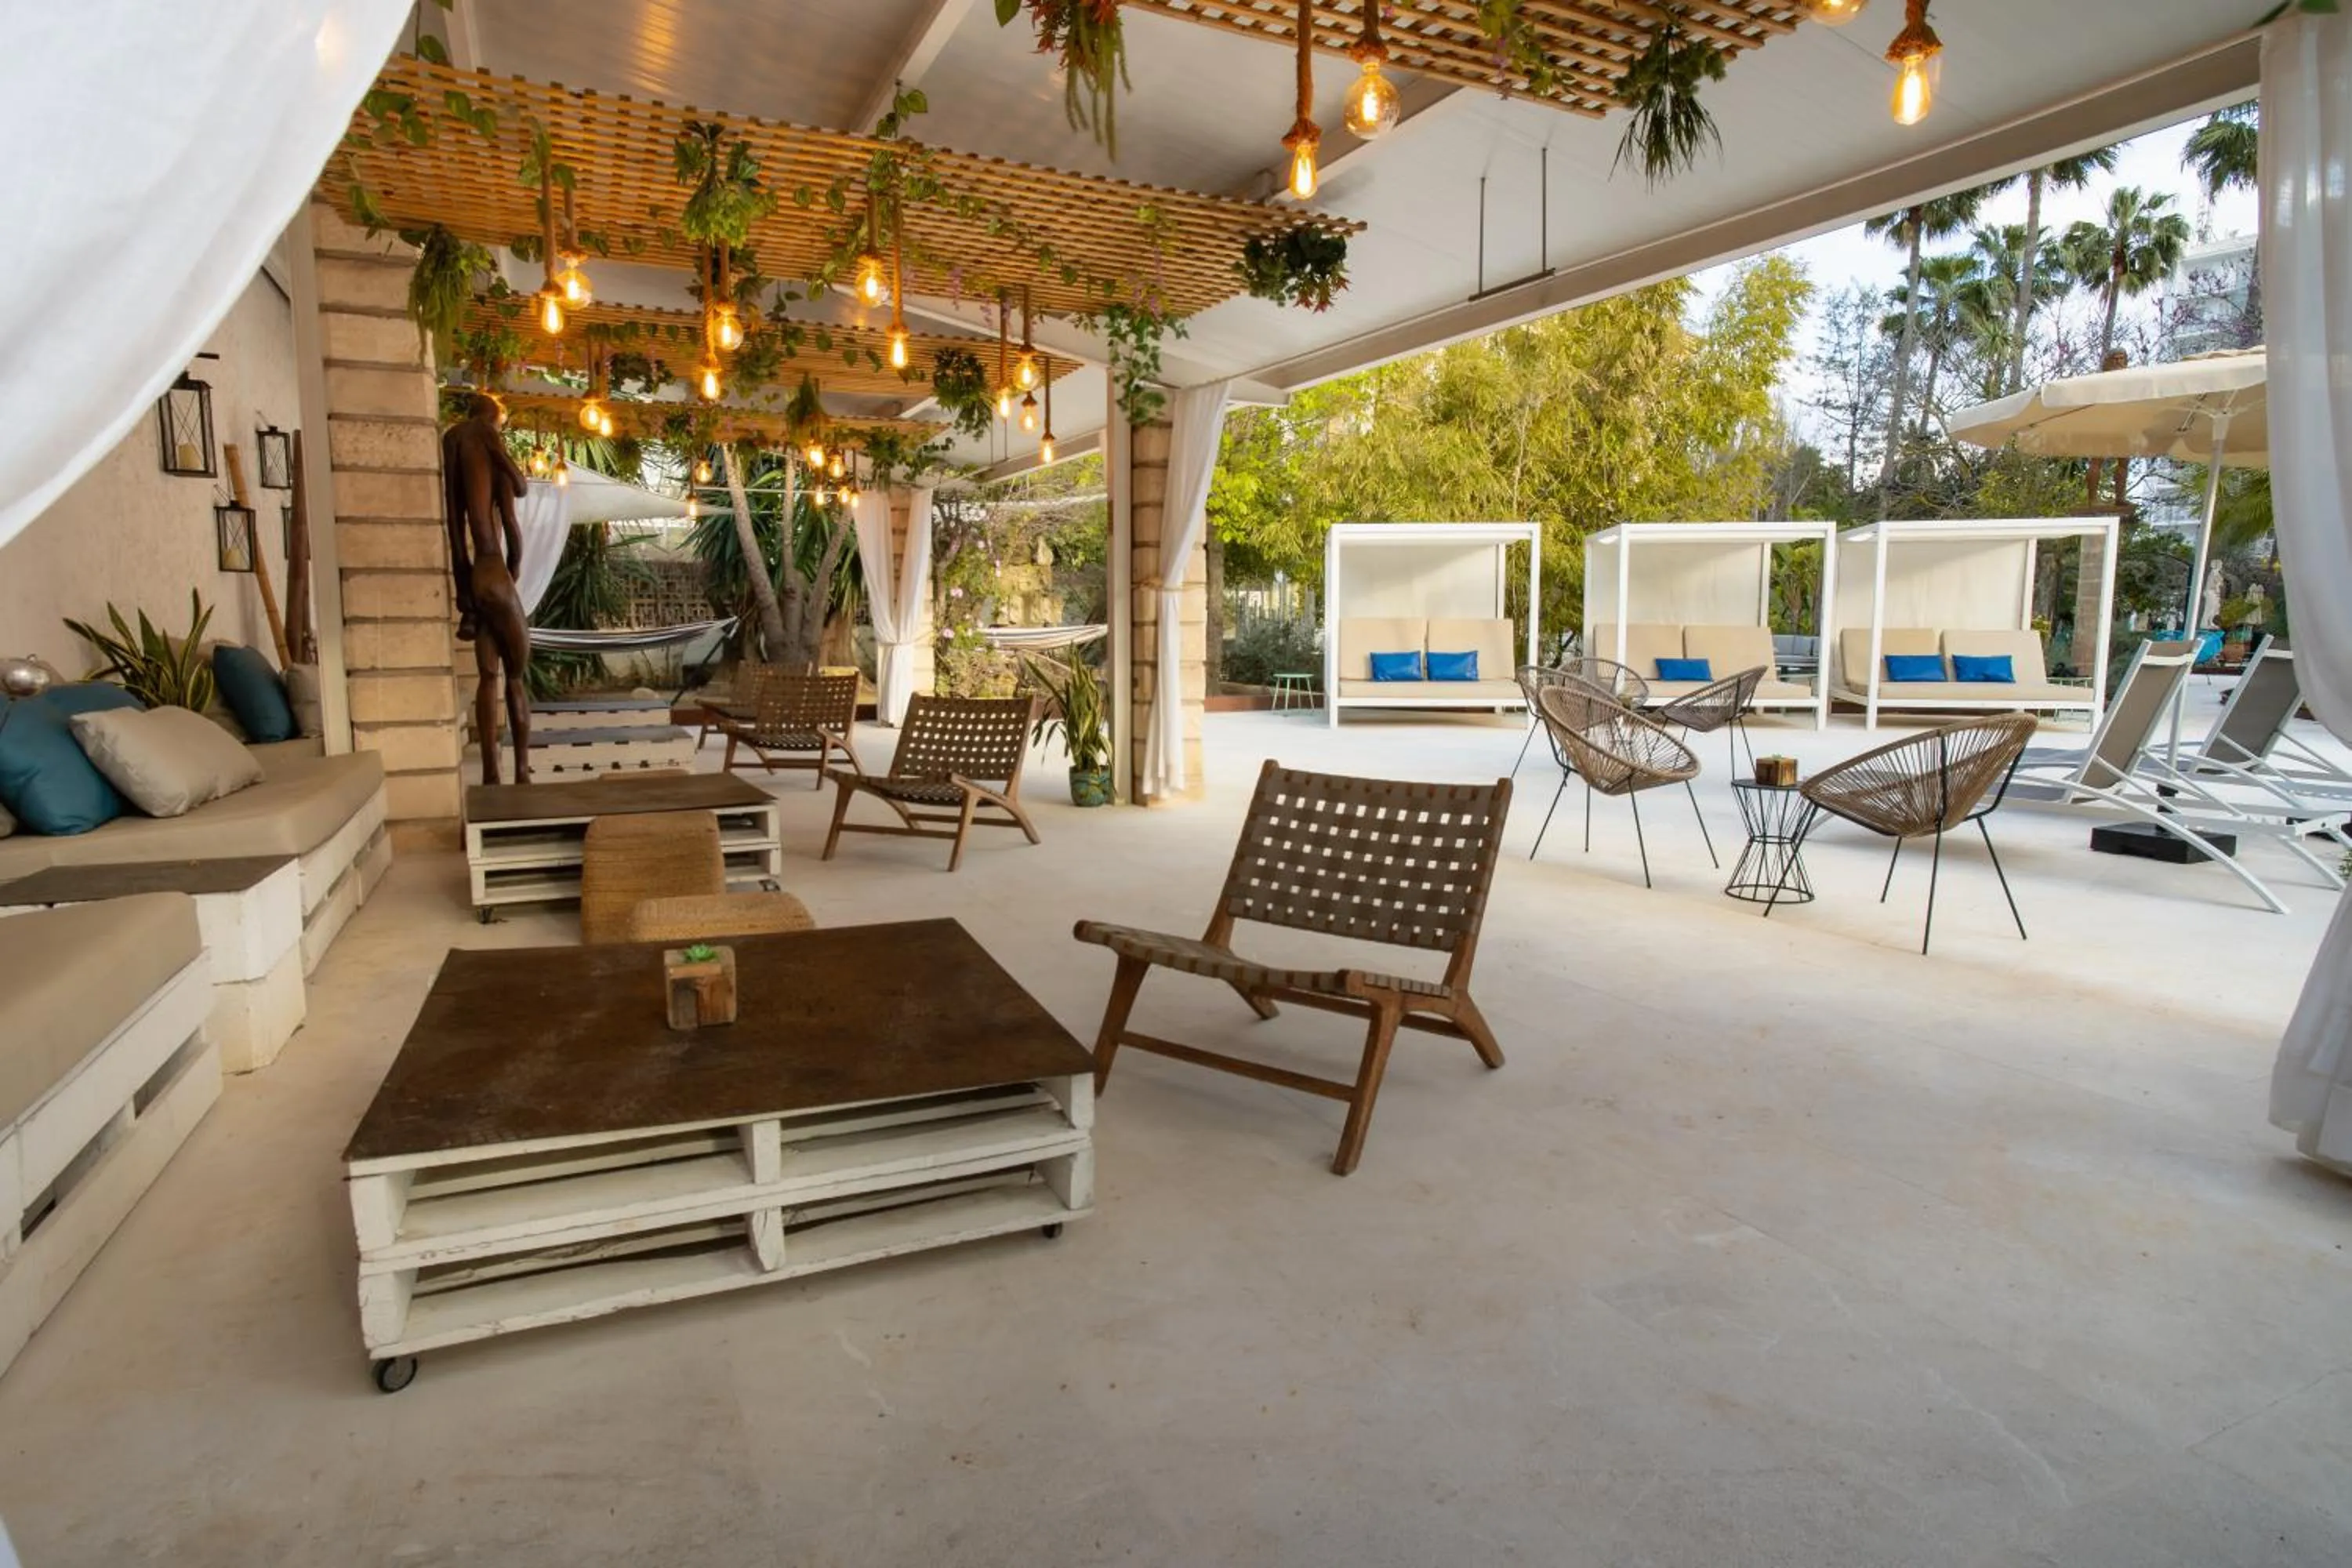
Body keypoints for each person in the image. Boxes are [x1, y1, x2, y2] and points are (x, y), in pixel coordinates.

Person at [441, 393, 533, 784]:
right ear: (495, 417)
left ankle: (491, 774)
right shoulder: (490, 444)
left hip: (475, 573)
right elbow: (516, 510)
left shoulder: (453, 440)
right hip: (497, 571)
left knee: (488, 676)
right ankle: (523, 772)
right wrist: (512, 572)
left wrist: (465, 592)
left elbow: (453, 523)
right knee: (515, 674)